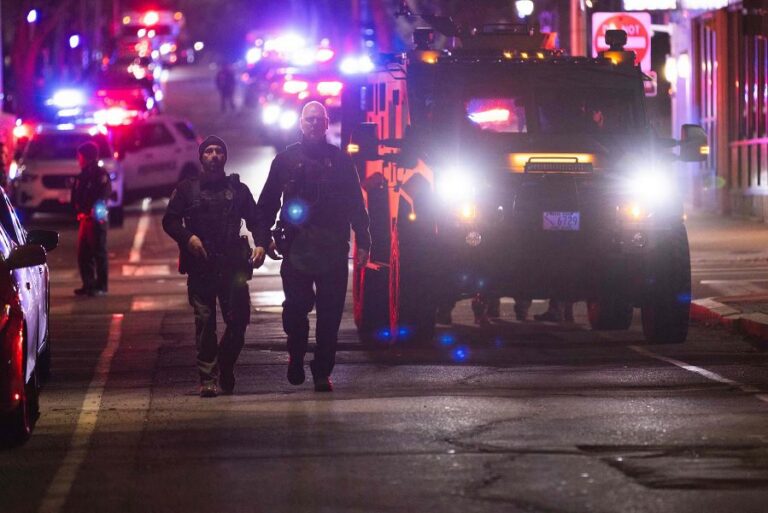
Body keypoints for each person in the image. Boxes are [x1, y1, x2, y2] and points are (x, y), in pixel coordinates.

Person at [254, 101, 371, 392]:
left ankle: (322, 372)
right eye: (310, 119)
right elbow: (267, 204)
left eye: (320, 119)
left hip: (332, 248)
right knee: (296, 308)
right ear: (301, 123)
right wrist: (262, 239)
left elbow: (356, 204)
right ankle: (296, 355)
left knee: (330, 315)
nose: (315, 124)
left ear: (327, 123)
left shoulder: (341, 161)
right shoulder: (285, 160)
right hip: (297, 248)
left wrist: (364, 240)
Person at [162, 136, 261, 398]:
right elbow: (170, 221)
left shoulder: (238, 190)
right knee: (205, 323)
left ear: (225, 157)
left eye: (219, 151)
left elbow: (256, 220)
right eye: (209, 151)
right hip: (201, 266)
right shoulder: (187, 189)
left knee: (238, 322)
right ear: (201, 157)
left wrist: (262, 243)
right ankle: (208, 377)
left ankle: (225, 364)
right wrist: (188, 238)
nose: (214, 156)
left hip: (232, 267)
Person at [72, 141, 111, 297]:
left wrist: (97, 214)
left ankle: (101, 286)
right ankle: (88, 285)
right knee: (84, 254)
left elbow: (103, 195)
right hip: (85, 219)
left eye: (80, 156)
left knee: (99, 252)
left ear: (87, 157)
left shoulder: (100, 174)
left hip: (96, 219)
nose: (78, 159)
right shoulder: (83, 175)